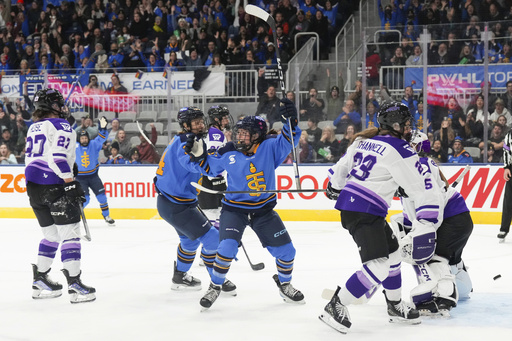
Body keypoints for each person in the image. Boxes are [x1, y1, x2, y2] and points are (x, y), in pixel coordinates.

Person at [320, 102, 441, 333]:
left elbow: (341, 169)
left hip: (358, 209)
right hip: (365, 211)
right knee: (379, 266)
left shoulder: (363, 141)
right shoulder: (401, 149)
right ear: (394, 125)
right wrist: (427, 221)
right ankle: (337, 304)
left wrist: (334, 187)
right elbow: (420, 189)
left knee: (393, 254)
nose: (409, 128)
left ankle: (394, 305)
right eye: (406, 124)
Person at [183, 100, 304, 310]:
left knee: (287, 252)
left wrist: (291, 121)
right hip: (234, 210)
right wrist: (198, 155)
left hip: (263, 211)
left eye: (245, 134)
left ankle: (285, 284)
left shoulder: (270, 147)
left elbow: (290, 138)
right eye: (238, 133)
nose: (239, 137)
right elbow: (209, 169)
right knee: (227, 248)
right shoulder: (228, 152)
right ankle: (215, 285)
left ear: (257, 135)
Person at [153, 106, 236, 296]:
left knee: (189, 241)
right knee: (212, 238)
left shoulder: (189, 139)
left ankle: (180, 277)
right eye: (196, 122)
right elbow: (194, 165)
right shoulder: (185, 142)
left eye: (201, 121)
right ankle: (217, 280)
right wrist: (213, 163)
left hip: (175, 202)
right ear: (185, 125)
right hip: (175, 205)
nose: (201, 125)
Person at [24, 88, 96, 303]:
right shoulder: (61, 125)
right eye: (59, 103)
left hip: (34, 189)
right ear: (51, 106)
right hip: (55, 186)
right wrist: (70, 181)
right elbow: (57, 158)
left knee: (51, 236)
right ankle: (75, 285)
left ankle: (40, 280)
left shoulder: (33, 127)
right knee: (70, 235)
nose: (63, 106)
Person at [392, 131, 473, 317]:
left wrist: (418, 235)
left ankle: (444, 297)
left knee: (433, 257)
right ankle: (462, 287)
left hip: (452, 220)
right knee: (449, 261)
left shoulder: (420, 165)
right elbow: (410, 211)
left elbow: (432, 207)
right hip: (457, 220)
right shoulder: (412, 169)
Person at [197, 105, 233, 228]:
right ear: (216, 119)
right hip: (212, 176)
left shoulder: (213, 132)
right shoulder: (215, 134)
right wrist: (216, 177)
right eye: (224, 118)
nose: (227, 121)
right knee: (213, 210)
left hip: (209, 175)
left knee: (215, 210)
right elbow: (214, 156)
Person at [75, 119, 116, 226]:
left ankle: (106, 216)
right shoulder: (74, 146)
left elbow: (102, 137)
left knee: (102, 197)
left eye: (85, 138)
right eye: (82, 138)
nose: (84, 140)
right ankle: (74, 216)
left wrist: (102, 128)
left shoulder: (94, 144)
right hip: (80, 178)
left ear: (88, 138)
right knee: (85, 199)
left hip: (93, 176)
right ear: (79, 139)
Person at [498, 128, 512, 241]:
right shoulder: (510, 134)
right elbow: (506, 150)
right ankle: (504, 228)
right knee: (508, 201)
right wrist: (506, 167)